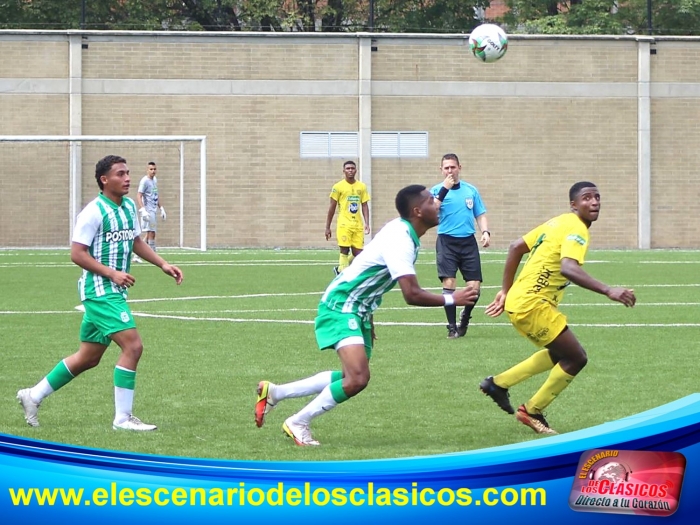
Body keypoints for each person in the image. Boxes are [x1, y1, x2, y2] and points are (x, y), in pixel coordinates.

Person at [256, 184, 478, 446]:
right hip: (342, 305)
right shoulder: (401, 239)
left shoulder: (404, 233)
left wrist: (368, 317)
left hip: (359, 309)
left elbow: (368, 271)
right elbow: (412, 294)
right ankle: (298, 422)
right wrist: (454, 297)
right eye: (432, 201)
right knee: (358, 378)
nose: (438, 204)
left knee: (353, 376)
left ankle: (277, 392)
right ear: (417, 211)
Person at [17, 155, 184, 431]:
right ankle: (123, 418)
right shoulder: (93, 212)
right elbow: (76, 254)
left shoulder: (129, 206)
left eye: (128, 173)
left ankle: (32, 396)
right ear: (105, 180)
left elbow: (135, 242)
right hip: (100, 291)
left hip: (112, 290)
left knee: (88, 357)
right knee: (133, 346)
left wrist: (162, 264)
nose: (127, 178)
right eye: (120, 174)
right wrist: (111, 273)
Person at [481, 182, 636, 435]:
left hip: (524, 300)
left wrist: (507, 290)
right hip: (532, 305)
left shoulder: (558, 221)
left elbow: (515, 246)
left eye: (597, 197)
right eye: (587, 198)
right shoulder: (576, 228)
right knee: (576, 358)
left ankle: (498, 384)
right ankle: (532, 410)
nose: (594, 202)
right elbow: (569, 268)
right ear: (574, 205)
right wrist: (609, 290)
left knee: (560, 353)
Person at [430, 153, 490, 339]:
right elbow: (431, 211)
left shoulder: (471, 190)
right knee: (449, 283)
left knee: (474, 287)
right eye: (446, 168)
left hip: (468, 241)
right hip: (446, 241)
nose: (450, 171)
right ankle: (451, 327)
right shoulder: (436, 190)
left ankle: (465, 318)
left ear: (459, 168)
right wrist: (444, 190)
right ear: (441, 170)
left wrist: (485, 232)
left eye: (453, 167)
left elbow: (480, 214)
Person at [325, 160, 370, 275]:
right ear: (344, 170)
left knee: (358, 253)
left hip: (357, 224)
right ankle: (343, 275)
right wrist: (327, 227)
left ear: (356, 170)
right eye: (348, 168)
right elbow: (332, 208)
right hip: (344, 224)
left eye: (352, 168)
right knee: (344, 250)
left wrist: (367, 223)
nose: (350, 170)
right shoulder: (338, 187)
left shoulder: (361, 186)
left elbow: (364, 205)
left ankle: (339, 269)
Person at [133, 161, 166, 262]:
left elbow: (156, 194)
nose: (153, 171)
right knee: (151, 233)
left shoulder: (154, 180)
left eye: (154, 169)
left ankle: (136, 256)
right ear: (147, 170)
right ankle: (153, 254)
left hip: (153, 209)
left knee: (149, 233)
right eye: (151, 169)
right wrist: (143, 209)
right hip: (148, 211)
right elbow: (139, 195)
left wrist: (161, 208)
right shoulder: (144, 181)